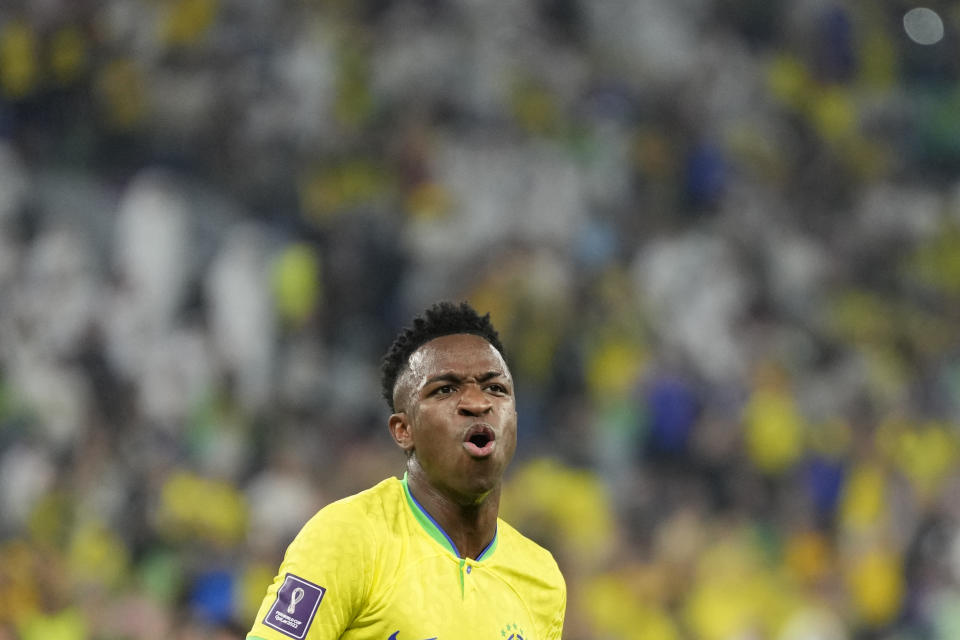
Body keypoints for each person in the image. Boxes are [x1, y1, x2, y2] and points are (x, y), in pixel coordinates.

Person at [246, 301, 566, 640]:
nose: (477, 403)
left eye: (495, 388)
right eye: (445, 389)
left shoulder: (541, 578)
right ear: (404, 429)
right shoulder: (349, 536)